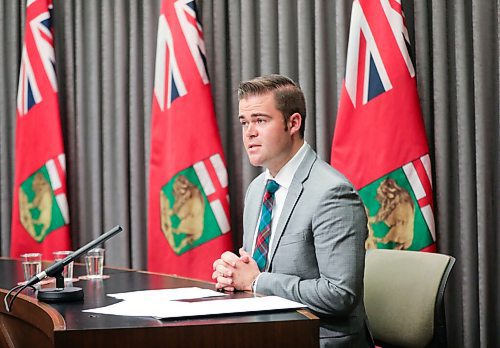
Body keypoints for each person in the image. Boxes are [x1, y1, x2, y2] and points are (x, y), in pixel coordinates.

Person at [212, 74, 372, 347]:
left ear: (293, 123)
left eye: (260, 120)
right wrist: (234, 274)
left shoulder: (331, 193)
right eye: (244, 122)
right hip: (265, 332)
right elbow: (256, 274)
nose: (249, 132)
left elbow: (339, 295)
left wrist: (257, 281)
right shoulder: (257, 189)